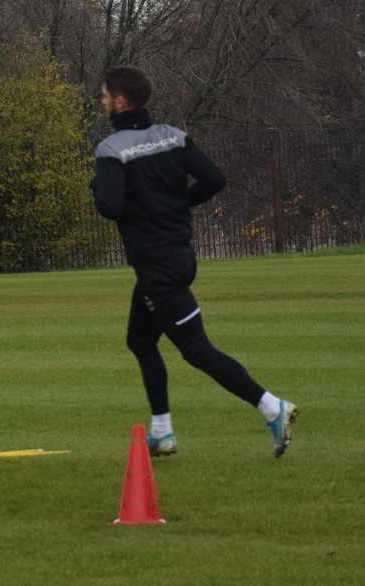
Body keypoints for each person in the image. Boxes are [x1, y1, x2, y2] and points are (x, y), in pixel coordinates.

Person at [90, 66, 299, 458]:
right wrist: (176, 204)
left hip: (157, 266)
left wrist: (96, 186)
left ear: (120, 101)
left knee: (197, 350)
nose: (102, 102)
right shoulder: (175, 136)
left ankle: (272, 406)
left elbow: (110, 206)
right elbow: (214, 179)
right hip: (181, 256)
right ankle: (162, 432)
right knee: (140, 340)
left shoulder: (111, 149)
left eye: (104, 96)